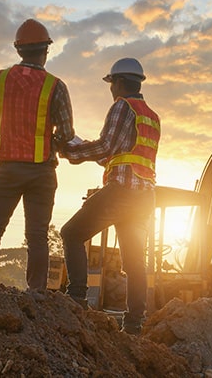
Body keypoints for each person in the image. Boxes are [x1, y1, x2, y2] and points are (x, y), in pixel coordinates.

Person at [0, 18, 75, 301]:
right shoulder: (56, 86)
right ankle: (37, 293)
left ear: (18, 49)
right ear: (46, 50)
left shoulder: (0, 78)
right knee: (38, 234)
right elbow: (66, 135)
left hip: (7, 168)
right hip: (41, 171)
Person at [59, 57, 160, 335]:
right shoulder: (151, 115)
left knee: (71, 233)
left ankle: (77, 298)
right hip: (144, 197)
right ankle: (134, 323)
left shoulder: (121, 107)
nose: (111, 89)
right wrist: (86, 150)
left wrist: (71, 151)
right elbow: (119, 156)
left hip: (121, 192)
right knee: (134, 260)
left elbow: (105, 147)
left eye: (111, 83)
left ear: (118, 82)